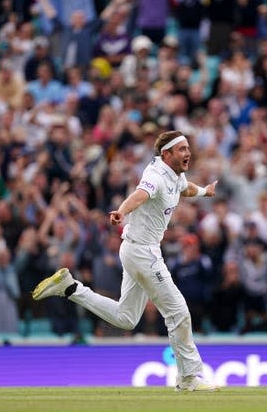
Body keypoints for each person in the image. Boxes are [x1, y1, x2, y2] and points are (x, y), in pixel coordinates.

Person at [32, 131, 219, 392]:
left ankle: (70, 288)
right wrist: (121, 210)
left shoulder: (175, 174)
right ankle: (189, 378)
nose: (188, 153)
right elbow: (140, 194)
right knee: (178, 312)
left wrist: (204, 192)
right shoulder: (155, 175)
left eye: (188, 148)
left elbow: (184, 188)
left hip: (136, 251)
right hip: (143, 253)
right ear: (166, 154)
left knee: (126, 318)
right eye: (182, 149)